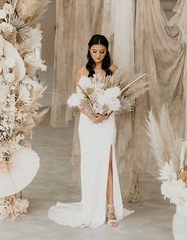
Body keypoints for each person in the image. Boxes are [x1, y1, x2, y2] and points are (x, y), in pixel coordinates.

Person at [48, 34, 133, 228]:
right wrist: (90, 114)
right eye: (94, 51)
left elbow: (118, 99)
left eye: (102, 52)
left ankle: (110, 208)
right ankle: (91, 205)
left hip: (107, 122)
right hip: (87, 124)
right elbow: (77, 100)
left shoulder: (113, 70)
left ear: (106, 52)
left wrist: (105, 113)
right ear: (89, 50)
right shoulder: (81, 72)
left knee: (108, 162)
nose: (98, 55)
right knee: (90, 163)